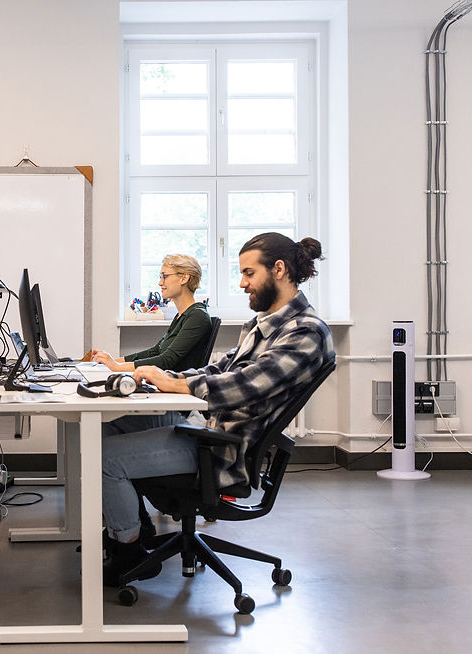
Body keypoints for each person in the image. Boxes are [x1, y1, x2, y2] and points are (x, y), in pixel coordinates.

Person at [101, 232, 335, 585]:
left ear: (280, 270)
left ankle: (130, 554)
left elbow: (244, 387)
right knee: (107, 426)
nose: (242, 283)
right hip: (205, 428)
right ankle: (136, 528)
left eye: (248, 273)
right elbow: (218, 371)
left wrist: (176, 385)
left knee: (105, 457)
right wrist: (165, 376)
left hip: (220, 448)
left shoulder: (304, 332)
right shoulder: (263, 325)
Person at [88, 254, 212, 373]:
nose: (160, 283)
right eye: (160, 277)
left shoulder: (198, 317)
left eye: (165, 276)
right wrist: (113, 362)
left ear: (184, 278)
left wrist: (117, 367)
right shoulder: (183, 315)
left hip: (176, 388)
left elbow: (166, 361)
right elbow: (156, 351)